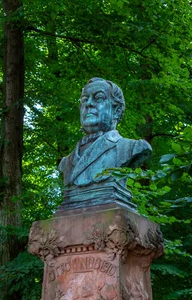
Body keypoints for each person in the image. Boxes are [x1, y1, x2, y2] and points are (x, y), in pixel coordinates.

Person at [58, 78, 151, 209]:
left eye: (99, 98)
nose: (89, 104)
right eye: (85, 100)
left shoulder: (131, 148)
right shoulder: (66, 162)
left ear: (117, 111)